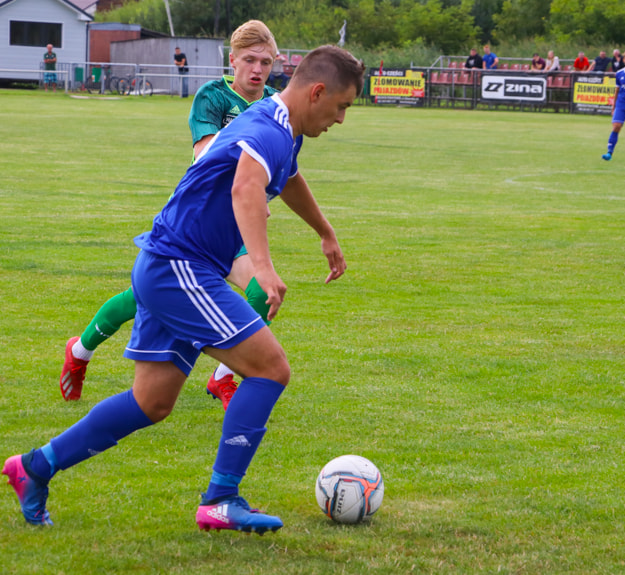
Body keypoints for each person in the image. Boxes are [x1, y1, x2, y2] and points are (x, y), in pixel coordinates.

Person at [3, 45, 366, 532]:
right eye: (342, 105)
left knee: (150, 403)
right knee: (270, 369)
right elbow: (245, 189)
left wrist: (325, 231)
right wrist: (262, 267)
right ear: (317, 91)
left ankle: (33, 468)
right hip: (180, 269)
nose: (341, 118)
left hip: (167, 264)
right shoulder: (268, 128)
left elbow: (289, 177)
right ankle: (221, 499)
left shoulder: (283, 127)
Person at [59, 20, 281, 409]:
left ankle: (222, 378)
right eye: (249, 60)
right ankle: (80, 352)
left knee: (264, 291)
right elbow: (205, 154)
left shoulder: (276, 104)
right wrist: (249, 180)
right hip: (193, 224)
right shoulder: (214, 97)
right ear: (233, 60)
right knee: (139, 300)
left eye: (265, 61)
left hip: (234, 230)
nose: (258, 70)